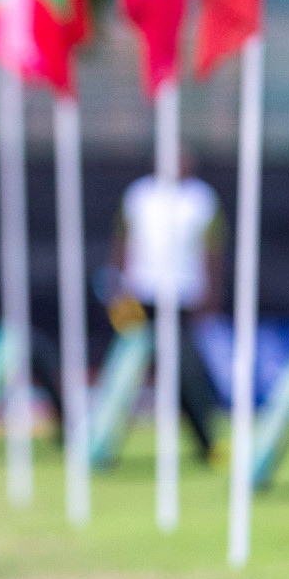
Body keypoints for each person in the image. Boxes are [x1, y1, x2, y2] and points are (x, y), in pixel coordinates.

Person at [109, 152, 224, 462]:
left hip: (185, 297)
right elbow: (122, 243)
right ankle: (102, 440)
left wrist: (211, 296)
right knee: (128, 370)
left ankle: (206, 442)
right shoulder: (138, 195)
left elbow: (213, 251)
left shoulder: (203, 199)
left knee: (186, 371)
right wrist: (118, 290)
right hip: (141, 295)